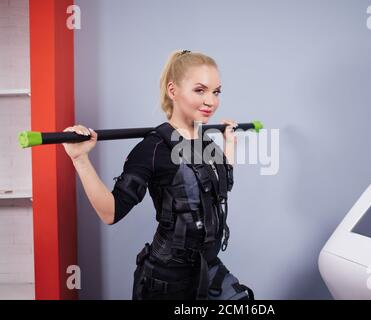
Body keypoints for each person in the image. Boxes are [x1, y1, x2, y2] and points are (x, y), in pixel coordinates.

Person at [62, 50, 254, 300]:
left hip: (206, 269)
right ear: (173, 91)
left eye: (216, 92)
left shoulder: (206, 142)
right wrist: (80, 158)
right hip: (166, 281)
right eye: (200, 90)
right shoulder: (152, 149)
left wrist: (230, 144)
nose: (211, 101)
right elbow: (111, 212)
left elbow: (222, 187)